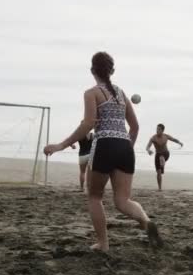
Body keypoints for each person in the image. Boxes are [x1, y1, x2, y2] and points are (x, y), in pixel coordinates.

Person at [44, 51, 163, 252]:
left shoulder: (92, 93)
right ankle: (145, 220)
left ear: (92, 70)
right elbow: (134, 127)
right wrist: (125, 148)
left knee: (95, 197)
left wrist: (61, 145)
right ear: (112, 70)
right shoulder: (121, 93)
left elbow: (88, 124)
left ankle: (103, 243)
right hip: (125, 146)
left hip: (104, 145)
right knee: (123, 201)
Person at [146, 124, 183, 191]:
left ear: (162, 130)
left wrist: (179, 142)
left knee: (162, 157)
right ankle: (160, 188)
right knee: (159, 173)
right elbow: (147, 146)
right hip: (158, 155)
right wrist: (148, 150)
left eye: (159, 129)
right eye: (156, 129)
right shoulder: (153, 138)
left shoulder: (165, 136)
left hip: (166, 154)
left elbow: (173, 139)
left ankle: (162, 162)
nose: (157, 130)